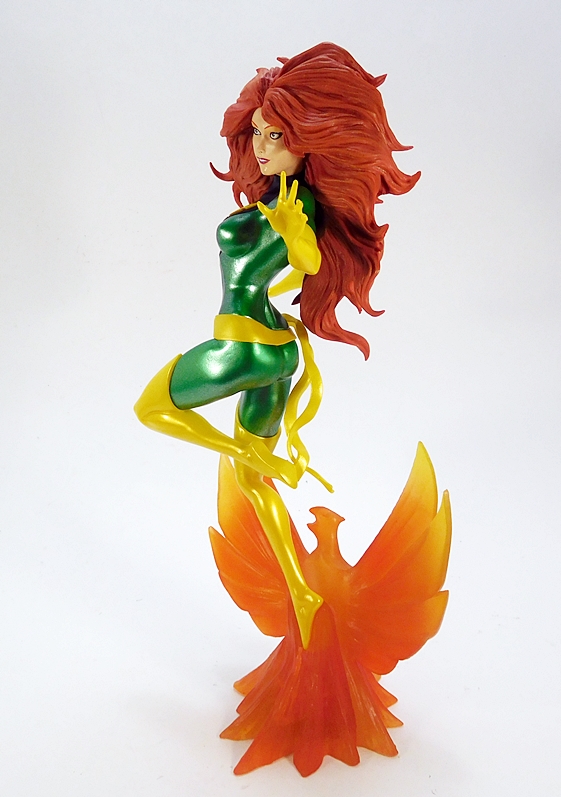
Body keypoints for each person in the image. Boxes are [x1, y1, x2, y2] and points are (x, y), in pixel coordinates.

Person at [134, 43, 420, 648]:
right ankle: (301, 592)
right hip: (279, 353)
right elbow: (300, 262)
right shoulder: (290, 200)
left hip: (241, 350)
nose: (261, 146)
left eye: (276, 136)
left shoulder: (296, 205)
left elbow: (307, 260)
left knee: (151, 409)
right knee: (252, 480)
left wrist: (295, 237)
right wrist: (292, 238)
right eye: (259, 132)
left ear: (307, 142)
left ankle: (262, 459)